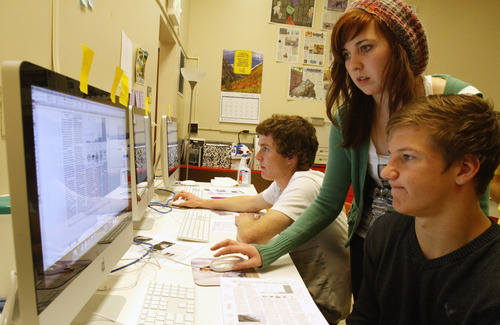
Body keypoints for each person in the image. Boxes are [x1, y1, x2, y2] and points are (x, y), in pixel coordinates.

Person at [210, 0, 490, 301]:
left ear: (400, 46)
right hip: (369, 245)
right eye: (346, 54)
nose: (354, 64)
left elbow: (476, 198)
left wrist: (478, 264)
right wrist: (269, 251)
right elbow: (329, 201)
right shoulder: (350, 115)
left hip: (440, 249)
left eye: (365, 48)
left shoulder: (456, 99)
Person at [174, 114, 352, 323]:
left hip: (320, 300)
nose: (258, 156)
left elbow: (250, 236)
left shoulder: (303, 184)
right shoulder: (287, 179)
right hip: (304, 281)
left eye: (266, 149)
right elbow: (252, 202)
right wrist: (203, 202)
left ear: (290, 156)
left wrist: (244, 222)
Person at [347, 94, 500, 323]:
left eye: (408, 157)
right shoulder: (384, 235)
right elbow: (364, 318)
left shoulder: (491, 279)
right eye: (391, 156)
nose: (386, 173)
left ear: (464, 169)